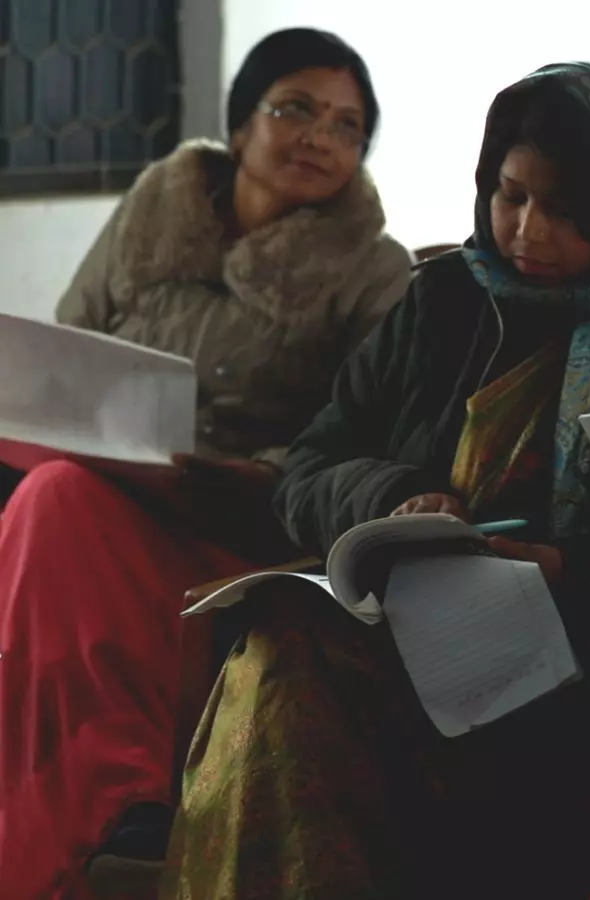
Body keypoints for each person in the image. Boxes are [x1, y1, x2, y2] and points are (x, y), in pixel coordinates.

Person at [160, 62, 590, 899]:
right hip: (419, 649)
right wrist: (395, 495)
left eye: (568, 211)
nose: (528, 232)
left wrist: (586, 579)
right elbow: (310, 469)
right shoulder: (448, 304)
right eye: (511, 196)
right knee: (281, 663)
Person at [0, 28, 410, 900]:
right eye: (295, 108)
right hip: (103, 478)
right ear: (238, 122)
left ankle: (119, 802)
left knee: (53, 505)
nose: (318, 137)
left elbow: (370, 434)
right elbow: (72, 338)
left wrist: (255, 471)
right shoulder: (160, 201)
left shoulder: (376, 271)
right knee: (52, 492)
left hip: (241, 521)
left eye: (346, 125)